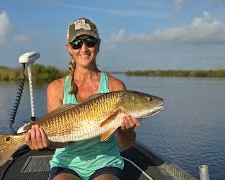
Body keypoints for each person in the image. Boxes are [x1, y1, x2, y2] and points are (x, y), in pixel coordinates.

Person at [25, 18, 141, 180]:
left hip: (106, 162)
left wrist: (126, 130)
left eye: (90, 41)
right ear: (69, 48)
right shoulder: (55, 88)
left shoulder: (116, 87)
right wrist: (42, 142)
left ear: (98, 45)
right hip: (65, 163)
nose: (84, 48)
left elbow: (126, 143)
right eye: (77, 43)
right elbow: (60, 142)